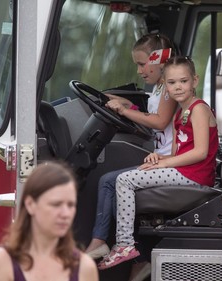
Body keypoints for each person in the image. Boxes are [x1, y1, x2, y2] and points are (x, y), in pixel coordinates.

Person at [97, 55, 219, 270]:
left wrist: (164, 165)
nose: (178, 87)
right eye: (171, 83)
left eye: (183, 81)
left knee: (124, 180)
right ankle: (133, 248)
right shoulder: (180, 112)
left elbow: (200, 152)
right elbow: (177, 152)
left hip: (195, 174)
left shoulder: (199, 109)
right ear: (165, 86)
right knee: (137, 172)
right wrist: (159, 158)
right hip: (185, 170)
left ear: (195, 81)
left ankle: (125, 245)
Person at [85, 33, 177, 259]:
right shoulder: (158, 89)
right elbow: (152, 115)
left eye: (142, 64)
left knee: (110, 181)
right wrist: (128, 106)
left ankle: (104, 243)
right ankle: (141, 257)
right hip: (161, 159)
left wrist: (125, 111)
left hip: (169, 162)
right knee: (111, 184)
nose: (139, 71)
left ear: (159, 60)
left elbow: (160, 121)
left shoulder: (169, 88)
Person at [0, 161, 98, 281]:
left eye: (71, 205)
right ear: (30, 204)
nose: (65, 213)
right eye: (56, 204)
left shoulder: (84, 267)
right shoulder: (1, 263)